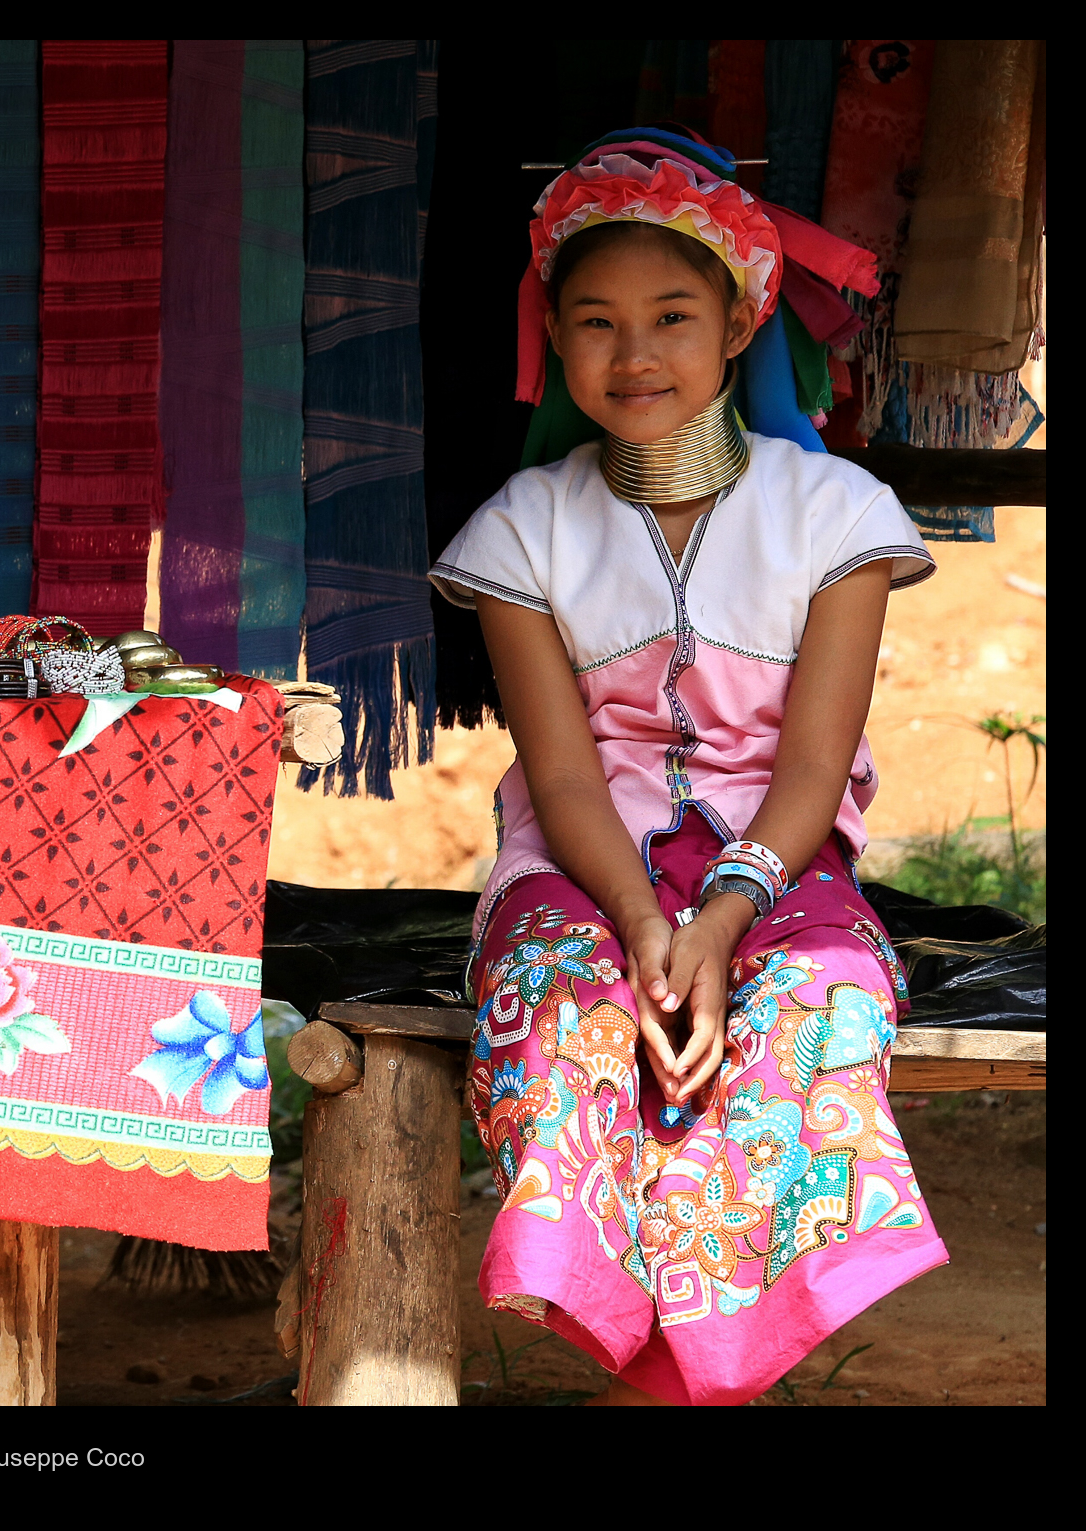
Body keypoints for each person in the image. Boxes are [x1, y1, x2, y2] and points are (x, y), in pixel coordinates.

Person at [428, 128, 946, 1406]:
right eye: (594, 321)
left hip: (780, 864)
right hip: (581, 865)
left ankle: (667, 1388)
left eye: (671, 314)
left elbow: (815, 764)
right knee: (562, 1008)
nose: (634, 352)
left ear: (737, 321)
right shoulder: (521, 529)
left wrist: (719, 917)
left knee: (817, 1007)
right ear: (553, 336)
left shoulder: (837, 519)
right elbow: (558, 782)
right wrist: (643, 924)